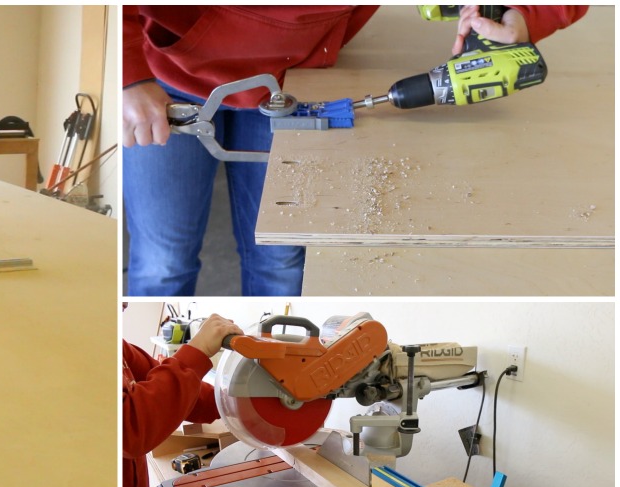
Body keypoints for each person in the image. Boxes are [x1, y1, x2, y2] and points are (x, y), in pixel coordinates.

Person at [122, 5, 589, 296]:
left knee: (280, 257)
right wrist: (127, 74)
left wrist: (526, 12)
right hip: (160, 78)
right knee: (162, 261)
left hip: (292, 79)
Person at [122, 309, 242, 487]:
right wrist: (198, 350)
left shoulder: (117, 347)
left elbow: (163, 380)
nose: (125, 305)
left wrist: (238, 401)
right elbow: (130, 429)